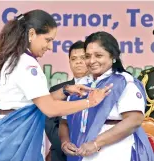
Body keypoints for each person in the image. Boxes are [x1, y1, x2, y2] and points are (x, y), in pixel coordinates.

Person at [0, 10, 112, 161]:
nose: (50, 46)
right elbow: (50, 108)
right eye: (48, 39)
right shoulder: (26, 64)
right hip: (16, 138)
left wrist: (66, 91)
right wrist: (90, 102)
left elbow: (33, 101)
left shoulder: (15, 58)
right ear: (32, 34)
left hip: (8, 134)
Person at [59, 31, 154, 161]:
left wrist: (97, 143)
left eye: (98, 55)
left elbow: (134, 120)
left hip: (114, 153)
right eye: (87, 56)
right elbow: (64, 122)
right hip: (80, 154)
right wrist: (65, 142)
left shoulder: (124, 81)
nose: (92, 61)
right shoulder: (80, 84)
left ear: (113, 56)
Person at [45, 41, 92, 161]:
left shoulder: (98, 89)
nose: (78, 62)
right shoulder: (58, 91)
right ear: (69, 62)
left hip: (91, 151)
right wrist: (65, 144)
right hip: (61, 154)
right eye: (74, 58)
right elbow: (50, 125)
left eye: (83, 58)